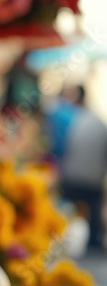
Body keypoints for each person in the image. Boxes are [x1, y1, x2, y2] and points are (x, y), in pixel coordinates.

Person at [47, 84, 107, 249]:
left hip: (71, 177)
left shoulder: (69, 119)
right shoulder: (100, 122)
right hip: (93, 180)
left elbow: (58, 148)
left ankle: (57, 238)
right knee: (93, 214)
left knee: (64, 210)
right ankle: (94, 243)